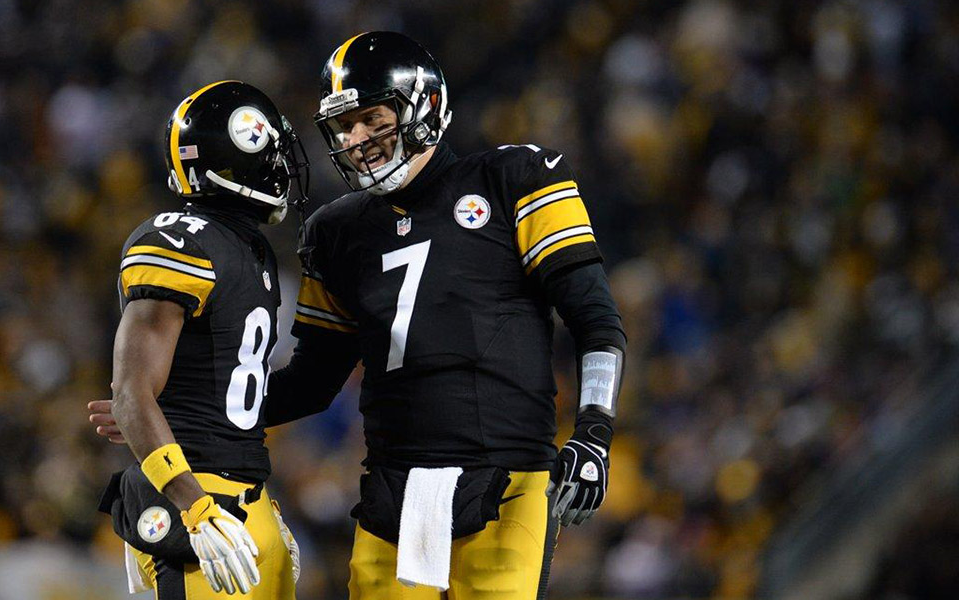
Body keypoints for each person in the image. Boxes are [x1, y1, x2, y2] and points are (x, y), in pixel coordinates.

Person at [265, 32, 628, 598]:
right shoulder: (334, 232)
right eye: (344, 127)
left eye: (370, 119)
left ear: (423, 106)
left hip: (507, 479)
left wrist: (595, 433)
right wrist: (200, 411)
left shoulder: (515, 177)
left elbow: (595, 320)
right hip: (391, 490)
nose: (356, 140)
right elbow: (311, 382)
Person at [89, 80, 308, 598]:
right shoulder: (180, 240)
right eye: (269, 151)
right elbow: (131, 393)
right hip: (196, 501)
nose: (280, 165)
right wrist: (196, 508)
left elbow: (224, 389)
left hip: (243, 498)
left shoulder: (247, 249)